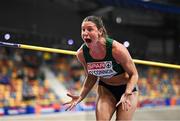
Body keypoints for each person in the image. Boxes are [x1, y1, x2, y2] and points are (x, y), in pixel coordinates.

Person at [63, 15, 139, 121]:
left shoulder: (117, 49)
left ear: (100, 31)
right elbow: (91, 76)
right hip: (106, 90)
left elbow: (134, 74)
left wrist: (127, 92)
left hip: (127, 90)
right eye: (83, 30)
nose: (85, 33)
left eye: (90, 29)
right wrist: (81, 96)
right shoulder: (81, 54)